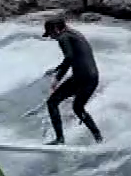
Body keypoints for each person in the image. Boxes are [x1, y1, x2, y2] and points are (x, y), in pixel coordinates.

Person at [42, 16, 102, 146]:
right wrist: (58, 68)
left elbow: (69, 57)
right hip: (92, 77)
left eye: (51, 34)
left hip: (81, 77)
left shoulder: (63, 37)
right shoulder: (76, 34)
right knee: (78, 108)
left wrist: (57, 79)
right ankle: (99, 139)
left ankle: (59, 139)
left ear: (56, 29)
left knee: (52, 103)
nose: (51, 37)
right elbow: (76, 57)